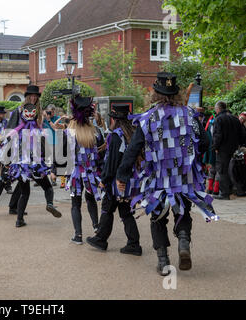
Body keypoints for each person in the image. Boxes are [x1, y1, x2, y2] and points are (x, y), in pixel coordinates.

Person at [116, 72, 217, 276]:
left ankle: (163, 261)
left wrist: (122, 175)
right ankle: (183, 242)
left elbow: (133, 149)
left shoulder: (148, 117)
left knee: (157, 218)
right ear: (176, 93)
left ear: (155, 94)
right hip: (185, 177)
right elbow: (206, 143)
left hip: (158, 179)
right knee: (183, 212)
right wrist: (190, 154)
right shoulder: (190, 115)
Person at [0, 85, 62, 227]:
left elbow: (42, 132)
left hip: (33, 154)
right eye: (30, 96)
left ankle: (15, 209)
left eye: (35, 96)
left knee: (23, 183)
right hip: (17, 152)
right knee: (4, 178)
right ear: (27, 97)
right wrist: (7, 155)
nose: (33, 98)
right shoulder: (18, 111)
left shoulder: (39, 113)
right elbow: (10, 132)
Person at [86, 104, 142, 256]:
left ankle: (101, 239)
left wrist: (104, 178)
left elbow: (112, 161)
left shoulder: (116, 136)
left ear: (114, 119)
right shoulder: (129, 133)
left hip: (116, 181)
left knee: (107, 208)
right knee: (125, 212)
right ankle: (133, 244)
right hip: (128, 179)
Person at [65, 96, 104, 245]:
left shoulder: (69, 132)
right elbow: (100, 155)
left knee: (75, 203)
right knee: (91, 199)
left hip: (75, 172)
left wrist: (56, 169)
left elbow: (65, 154)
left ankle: (78, 235)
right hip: (91, 172)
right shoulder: (95, 132)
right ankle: (96, 226)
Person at [212, 101, 246, 199]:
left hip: (222, 148)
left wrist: (215, 147)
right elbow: (242, 134)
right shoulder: (235, 118)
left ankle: (224, 193)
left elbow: (218, 135)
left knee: (222, 170)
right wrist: (239, 144)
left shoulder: (219, 119)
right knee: (231, 169)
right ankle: (231, 190)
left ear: (218, 109)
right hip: (234, 148)